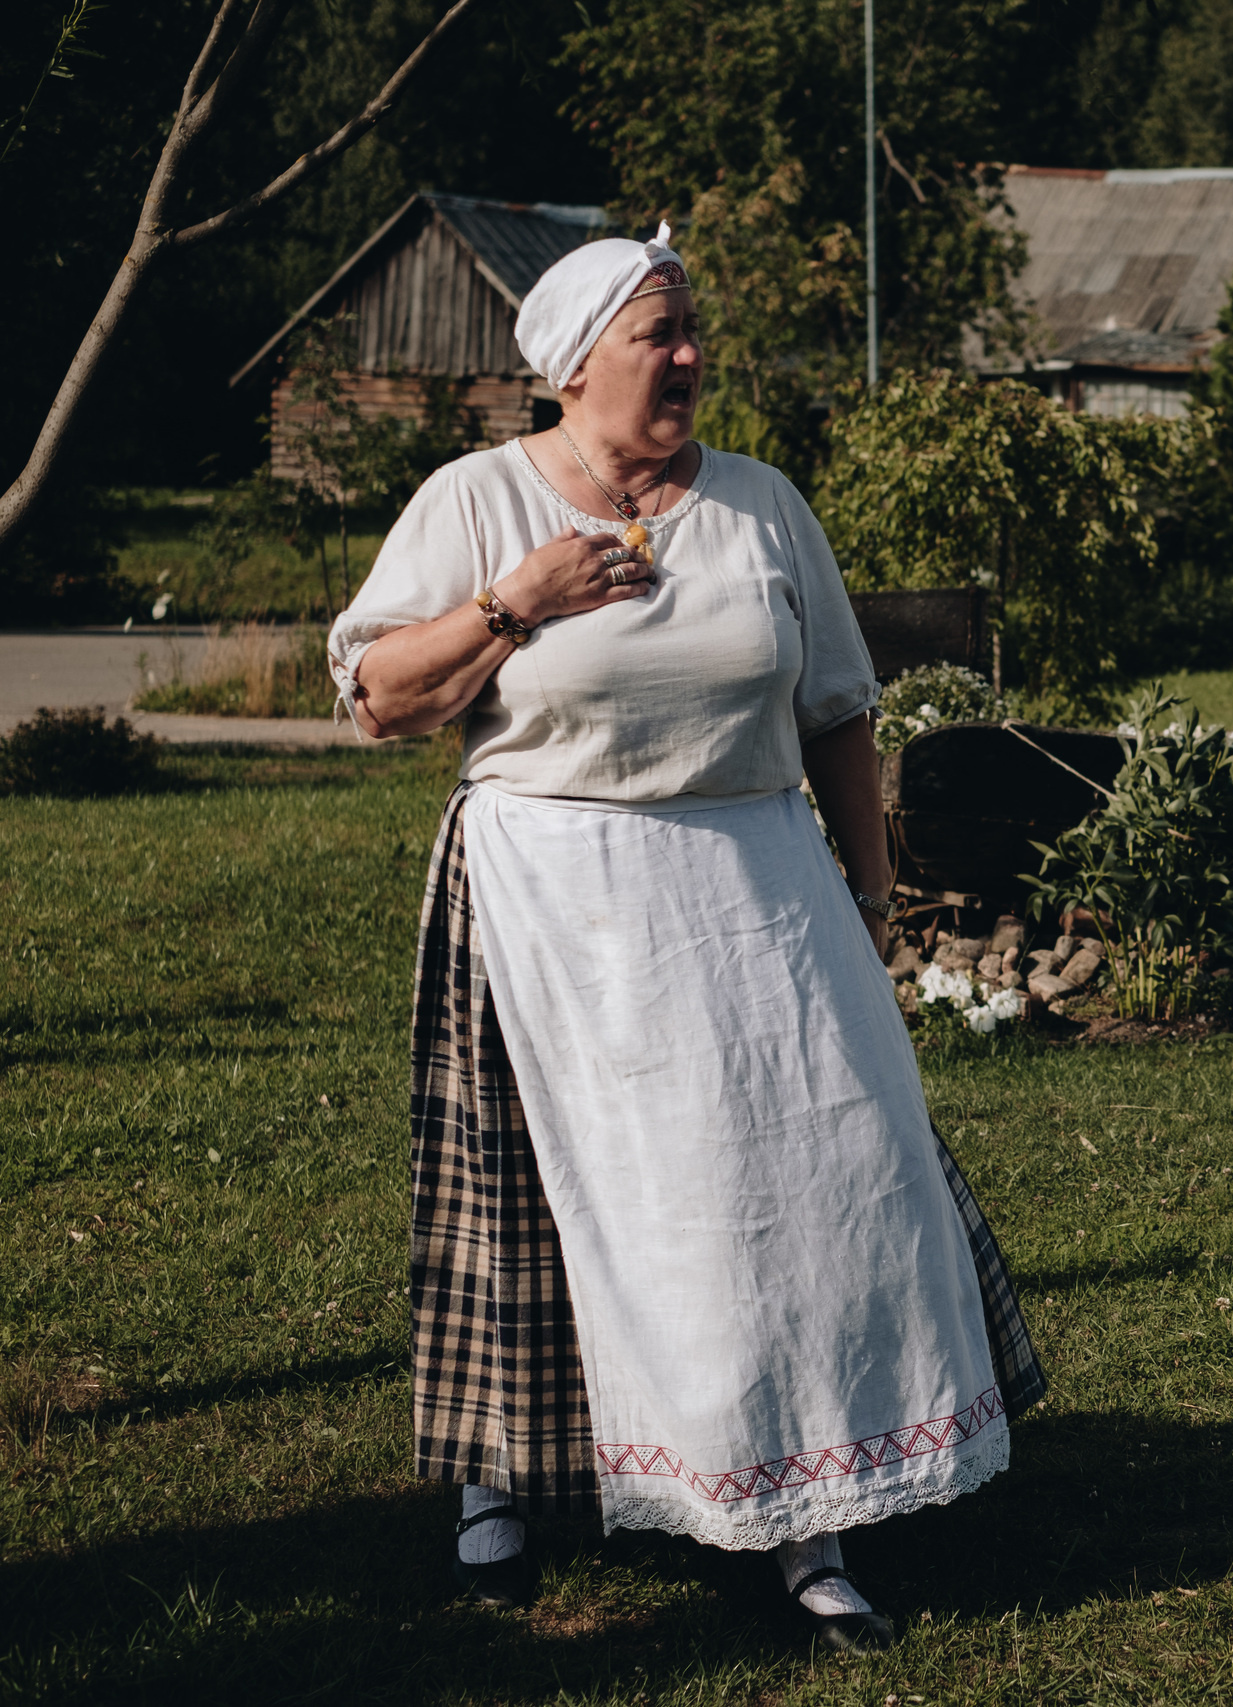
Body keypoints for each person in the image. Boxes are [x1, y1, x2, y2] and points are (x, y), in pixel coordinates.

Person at [327, 224, 1043, 1645]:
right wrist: (515, 600)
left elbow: (838, 705)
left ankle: (807, 1510)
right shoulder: (477, 498)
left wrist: (872, 887)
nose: (692, 355)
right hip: (554, 894)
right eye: (661, 331)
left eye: (692, 326)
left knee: (802, 1185)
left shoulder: (760, 503)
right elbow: (379, 697)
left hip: (758, 891)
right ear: (577, 363)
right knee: (535, 1203)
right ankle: (500, 1482)